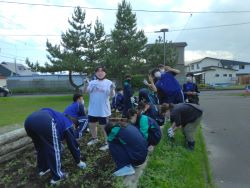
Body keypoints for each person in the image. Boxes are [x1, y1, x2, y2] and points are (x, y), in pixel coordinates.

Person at [24, 108, 86, 184]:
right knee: (55, 149)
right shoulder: (69, 124)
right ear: (74, 124)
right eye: (74, 128)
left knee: (41, 147)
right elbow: (72, 144)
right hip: (45, 121)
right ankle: (58, 177)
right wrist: (78, 161)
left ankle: (43, 169)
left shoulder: (59, 116)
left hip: (28, 121)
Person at [84, 66, 115, 151]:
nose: (100, 73)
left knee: (104, 127)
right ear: (95, 73)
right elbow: (85, 92)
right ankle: (95, 139)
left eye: (102, 71)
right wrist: (86, 84)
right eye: (98, 71)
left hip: (103, 110)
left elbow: (112, 95)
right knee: (92, 125)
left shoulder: (109, 82)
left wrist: (112, 88)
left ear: (105, 73)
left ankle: (107, 143)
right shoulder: (92, 82)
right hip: (92, 109)